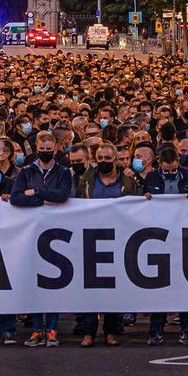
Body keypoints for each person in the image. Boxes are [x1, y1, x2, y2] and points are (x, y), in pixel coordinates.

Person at [10, 132, 71, 348]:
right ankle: (37, 329)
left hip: (56, 232)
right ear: (37, 148)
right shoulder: (27, 171)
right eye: (42, 149)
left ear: (55, 148)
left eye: (49, 149)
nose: (45, 152)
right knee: (34, 283)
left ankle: (52, 328)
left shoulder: (64, 172)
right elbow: (15, 197)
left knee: (53, 281)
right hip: (30, 233)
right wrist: (40, 200)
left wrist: (35, 191)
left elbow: (62, 195)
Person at [76, 142, 137, 347]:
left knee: (114, 289)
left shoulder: (127, 181)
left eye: (107, 159)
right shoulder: (85, 181)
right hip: (91, 238)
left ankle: (111, 331)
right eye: (100, 158)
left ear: (115, 160)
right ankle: (88, 332)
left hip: (119, 239)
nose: (103, 162)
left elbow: (137, 205)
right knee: (90, 289)